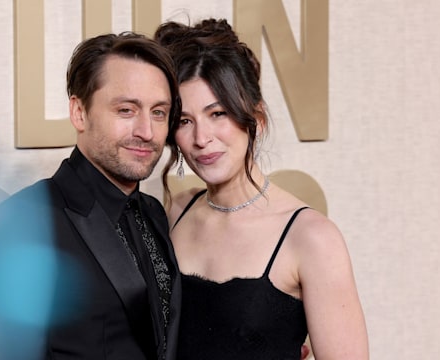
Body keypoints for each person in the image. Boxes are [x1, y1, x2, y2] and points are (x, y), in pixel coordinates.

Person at [155, 18, 369, 359]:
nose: (201, 138)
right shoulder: (174, 213)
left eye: (218, 113)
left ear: (255, 118)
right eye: (184, 121)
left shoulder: (311, 237)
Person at [0, 32, 181, 360]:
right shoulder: (22, 222)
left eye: (159, 113)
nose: (146, 131)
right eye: (126, 110)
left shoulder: (154, 213)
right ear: (79, 112)